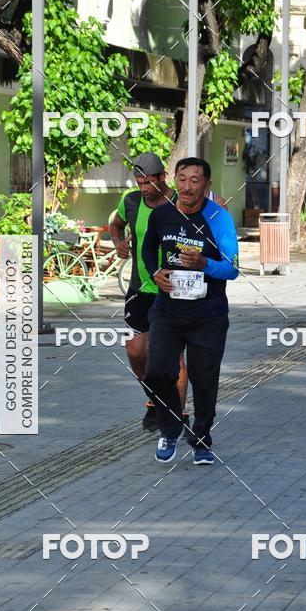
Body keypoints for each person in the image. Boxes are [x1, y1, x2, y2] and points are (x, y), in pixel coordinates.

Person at [142, 157, 239, 465]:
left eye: (194, 180)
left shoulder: (219, 218)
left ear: (206, 185)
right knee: (156, 372)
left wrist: (204, 264)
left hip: (208, 314)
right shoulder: (162, 215)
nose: (186, 187)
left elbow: (232, 269)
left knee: (204, 380)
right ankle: (170, 429)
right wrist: (155, 269)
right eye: (181, 179)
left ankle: (201, 439)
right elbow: (146, 248)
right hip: (168, 310)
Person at [109, 152, 188, 432]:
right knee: (135, 351)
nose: (143, 188)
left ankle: (177, 416)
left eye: (148, 183)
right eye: (139, 182)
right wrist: (118, 243)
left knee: (173, 358)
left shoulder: (180, 201)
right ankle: (156, 401)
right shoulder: (130, 201)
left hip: (172, 291)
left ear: (162, 178)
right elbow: (115, 225)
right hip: (138, 289)